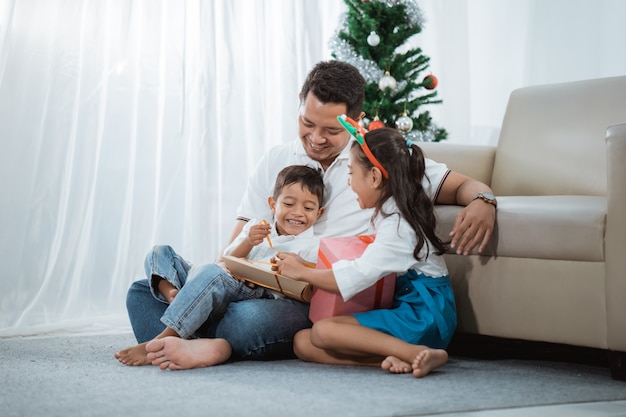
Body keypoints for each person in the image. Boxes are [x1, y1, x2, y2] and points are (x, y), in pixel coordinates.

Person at [124, 60, 496, 370]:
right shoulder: (275, 158)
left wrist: (483, 200)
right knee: (141, 291)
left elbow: (462, 186)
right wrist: (228, 276)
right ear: (300, 104)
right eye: (307, 123)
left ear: (355, 120)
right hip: (253, 280)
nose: (316, 138)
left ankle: (203, 338)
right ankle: (201, 333)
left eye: (331, 130)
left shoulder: (380, 163)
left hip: (310, 296)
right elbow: (233, 250)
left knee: (245, 322)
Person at [278, 126, 454, 378]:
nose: (348, 181)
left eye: (351, 173)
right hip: (404, 307)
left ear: (373, 177)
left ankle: (415, 352)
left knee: (322, 332)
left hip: (424, 316)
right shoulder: (388, 212)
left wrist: (302, 273)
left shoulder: (398, 225)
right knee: (303, 342)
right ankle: (391, 358)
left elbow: (354, 277)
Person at [115, 165, 326, 368]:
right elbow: (227, 260)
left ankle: (163, 339)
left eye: (308, 208)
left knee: (212, 275)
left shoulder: (311, 246)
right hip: (224, 279)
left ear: (319, 212)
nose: (298, 213)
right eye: (289, 204)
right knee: (153, 264)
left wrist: (297, 267)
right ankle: (175, 294)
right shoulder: (257, 226)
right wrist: (248, 242)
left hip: (254, 292)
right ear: (273, 205)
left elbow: (307, 286)